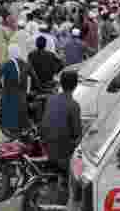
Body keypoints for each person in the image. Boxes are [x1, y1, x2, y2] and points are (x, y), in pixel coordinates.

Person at [41, 70, 82, 200]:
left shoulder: (51, 99)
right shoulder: (74, 105)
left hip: (46, 146)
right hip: (62, 152)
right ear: (75, 85)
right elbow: (76, 134)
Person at [0, 45, 31, 135]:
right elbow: (34, 77)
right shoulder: (25, 63)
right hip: (22, 95)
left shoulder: (7, 64)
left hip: (9, 95)